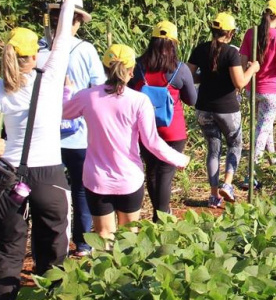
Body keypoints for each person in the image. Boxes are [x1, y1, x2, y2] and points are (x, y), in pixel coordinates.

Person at [0, 0, 78, 300]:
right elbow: (62, 36)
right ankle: (51, 294)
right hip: (48, 172)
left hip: (9, 171)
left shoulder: (3, 87)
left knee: (8, 247)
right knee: (54, 242)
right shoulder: (50, 74)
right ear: (35, 54)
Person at [63, 45, 189, 240]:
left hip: (97, 179)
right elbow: (152, 142)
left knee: (104, 235)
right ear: (131, 71)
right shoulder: (139, 100)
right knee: (128, 237)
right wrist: (179, 159)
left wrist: (67, 90)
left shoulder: (86, 97)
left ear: (105, 69)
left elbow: (63, 112)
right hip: (129, 179)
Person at [36, 0, 102, 257]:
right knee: (80, 189)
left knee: (49, 192)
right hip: (78, 135)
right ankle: (83, 242)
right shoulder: (85, 50)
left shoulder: (38, 50)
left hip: (44, 136)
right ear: (76, 22)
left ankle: (52, 244)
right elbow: (98, 88)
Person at [187, 13, 259, 208]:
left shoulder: (201, 49)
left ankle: (213, 196)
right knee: (235, 144)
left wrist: (208, 77)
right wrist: (253, 69)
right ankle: (227, 184)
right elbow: (240, 83)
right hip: (226, 108)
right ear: (230, 33)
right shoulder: (230, 53)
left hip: (204, 107)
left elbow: (190, 76)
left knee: (213, 150)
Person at [129, 21, 197, 222]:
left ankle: (158, 214)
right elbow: (191, 100)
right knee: (165, 175)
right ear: (174, 44)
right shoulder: (179, 69)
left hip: (145, 129)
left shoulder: (138, 66)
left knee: (151, 172)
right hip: (173, 131)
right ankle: (161, 216)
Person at [239, 0, 276, 164]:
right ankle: (253, 170)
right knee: (263, 129)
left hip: (252, 88)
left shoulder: (251, 33)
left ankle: (274, 164)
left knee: (266, 124)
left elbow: (243, 61)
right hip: (271, 91)